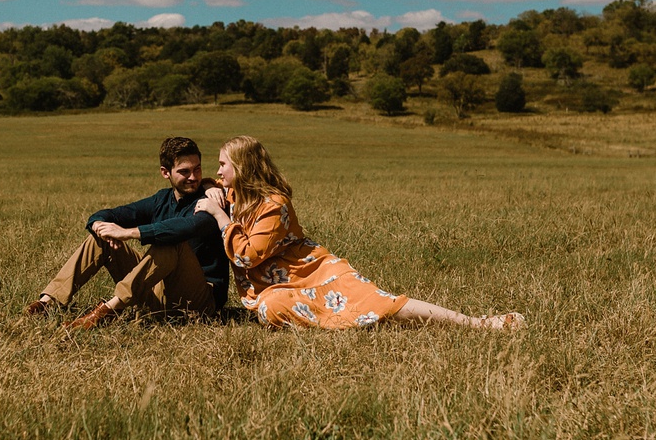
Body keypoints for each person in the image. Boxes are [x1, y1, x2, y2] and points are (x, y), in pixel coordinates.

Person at [194, 135, 524, 331]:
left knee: (383, 303)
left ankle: (477, 323)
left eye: (223, 164)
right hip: (275, 290)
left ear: (243, 167)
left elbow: (247, 255)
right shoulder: (235, 193)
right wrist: (212, 188)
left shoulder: (273, 204)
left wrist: (219, 215)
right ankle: (349, 322)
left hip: (315, 274)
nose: (217, 170)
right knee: (270, 309)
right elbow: (208, 183)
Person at [24, 137, 227, 330]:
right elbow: (112, 214)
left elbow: (185, 227)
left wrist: (129, 233)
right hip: (160, 291)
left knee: (171, 241)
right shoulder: (162, 199)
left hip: (199, 300)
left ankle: (109, 310)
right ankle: (48, 302)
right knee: (102, 239)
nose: (193, 177)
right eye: (184, 171)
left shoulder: (210, 201)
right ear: (165, 172)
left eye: (197, 169)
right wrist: (99, 225)